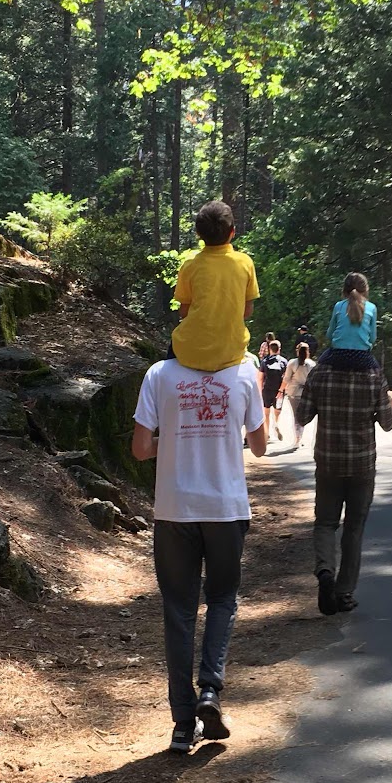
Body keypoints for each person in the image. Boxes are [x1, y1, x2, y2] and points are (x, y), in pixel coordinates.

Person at [132, 353, 267, 753]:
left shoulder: (159, 373)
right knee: (222, 598)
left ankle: (181, 723)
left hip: (174, 510)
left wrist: (175, 437)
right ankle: (210, 690)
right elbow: (259, 446)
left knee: (179, 610)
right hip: (226, 509)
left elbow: (140, 448)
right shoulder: (245, 371)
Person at [292, 345, 392, 615]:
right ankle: (344, 592)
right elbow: (387, 422)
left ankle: (325, 571)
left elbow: (302, 416)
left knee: (325, 523)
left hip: (328, 463)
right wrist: (388, 404)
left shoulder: (320, 373)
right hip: (362, 465)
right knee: (354, 527)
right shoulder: (374, 374)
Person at [171, 201, 259, 373]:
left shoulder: (189, 266)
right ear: (232, 231)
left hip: (188, 351)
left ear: (198, 233)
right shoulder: (245, 262)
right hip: (231, 353)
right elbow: (247, 311)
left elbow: (184, 312)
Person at [325, 272, 377, 353]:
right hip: (362, 354)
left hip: (339, 353)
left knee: (321, 360)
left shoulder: (339, 306)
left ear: (345, 289)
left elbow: (329, 334)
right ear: (365, 289)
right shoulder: (371, 307)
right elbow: (372, 338)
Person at [281, 340, 316, 450]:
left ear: (297, 351)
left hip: (294, 393)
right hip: (307, 393)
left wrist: (281, 390)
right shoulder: (312, 364)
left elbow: (286, 379)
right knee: (302, 415)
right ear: (308, 352)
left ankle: (297, 438)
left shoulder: (292, 363)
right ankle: (300, 437)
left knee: (296, 416)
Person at [259, 339, 288, 441]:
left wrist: (260, 390)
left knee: (266, 412)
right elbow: (286, 378)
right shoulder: (284, 361)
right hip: (279, 391)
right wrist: (282, 390)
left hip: (267, 390)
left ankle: (267, 433)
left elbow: (260, 378)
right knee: (277, 411)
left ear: (269, 349)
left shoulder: (264, 361)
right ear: (279, 349)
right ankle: (276, 423)